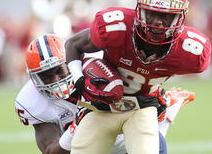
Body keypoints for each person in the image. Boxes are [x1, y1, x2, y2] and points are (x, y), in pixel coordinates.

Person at [65, 0, 212, 154]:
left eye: (165, 16)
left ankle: (166, 109)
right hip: (103, 106)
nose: (157, 22)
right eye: (151, 13)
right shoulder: (117, 27)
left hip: (142, 107)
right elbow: (73, 44)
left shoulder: (190, 49)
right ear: (140, 10)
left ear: (178, 17)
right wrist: (79, 80)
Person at [14, 34, 196, 154]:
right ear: (34, 78)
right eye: (46, 76)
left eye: (60, 71)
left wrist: (151, 99)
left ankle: (165, 116)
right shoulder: (30, 101)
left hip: (127, 141)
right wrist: (76, 126)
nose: (55, 80)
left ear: (71, 62)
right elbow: (50, 150)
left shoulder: (97, 69)